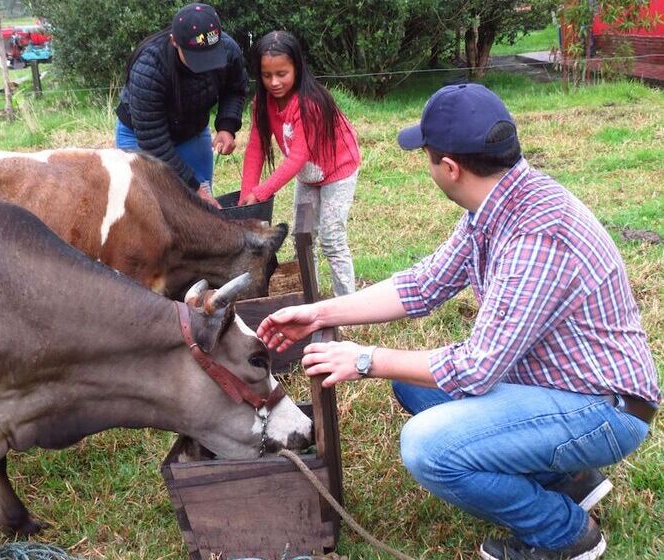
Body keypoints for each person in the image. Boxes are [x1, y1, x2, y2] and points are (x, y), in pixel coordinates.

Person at [257, 83, 659, 560]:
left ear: (449, 168)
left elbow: (476, 368)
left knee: (427, 447)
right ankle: (567, 479)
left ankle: (564, 533)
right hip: (558, 384)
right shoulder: (497, 204)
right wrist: (320, 311)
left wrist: (364, 359)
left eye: (426, 156)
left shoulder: (535, 233)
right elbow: (422, 285)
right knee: (415, 387)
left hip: (605, 410)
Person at [239, 31, 361, 296]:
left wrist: (261, 192)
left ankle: (348, 305)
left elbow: (297, 157)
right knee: (302, 238)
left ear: (297, 67)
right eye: (266, 75)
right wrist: (247, 194)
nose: (274, 82)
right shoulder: (262, 103)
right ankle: (311, 299)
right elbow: (256, 147)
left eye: (281, 74)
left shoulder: (309, 104)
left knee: (332, 240)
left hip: (338, 170)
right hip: (309, 175)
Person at [115, 3, 247, 205]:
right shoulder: (149, 67)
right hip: (141, 137)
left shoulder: (229, 50)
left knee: (199, 212)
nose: (205, 68)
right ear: (174, 42)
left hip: (192, 131)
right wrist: (193, 188)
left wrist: (227, 126)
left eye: (211, 56)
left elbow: (234, 88)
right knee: (149, 208)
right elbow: (153, 142)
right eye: (198, 59)